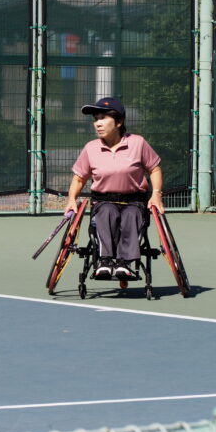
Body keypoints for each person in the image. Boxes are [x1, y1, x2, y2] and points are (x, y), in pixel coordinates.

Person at [63, 97, 164, 289]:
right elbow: (79, 178)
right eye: (96, 119)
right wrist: (71, 199)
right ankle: (105, 261)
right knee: (107, 212)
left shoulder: (138, 143)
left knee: (131, 215)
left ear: (119, 122)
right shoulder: (91, 148)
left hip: (134, 202)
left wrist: (156, 194)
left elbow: (154, 169)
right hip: (104, 202)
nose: (97, 123)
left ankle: (124, 264)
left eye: (103, 118)